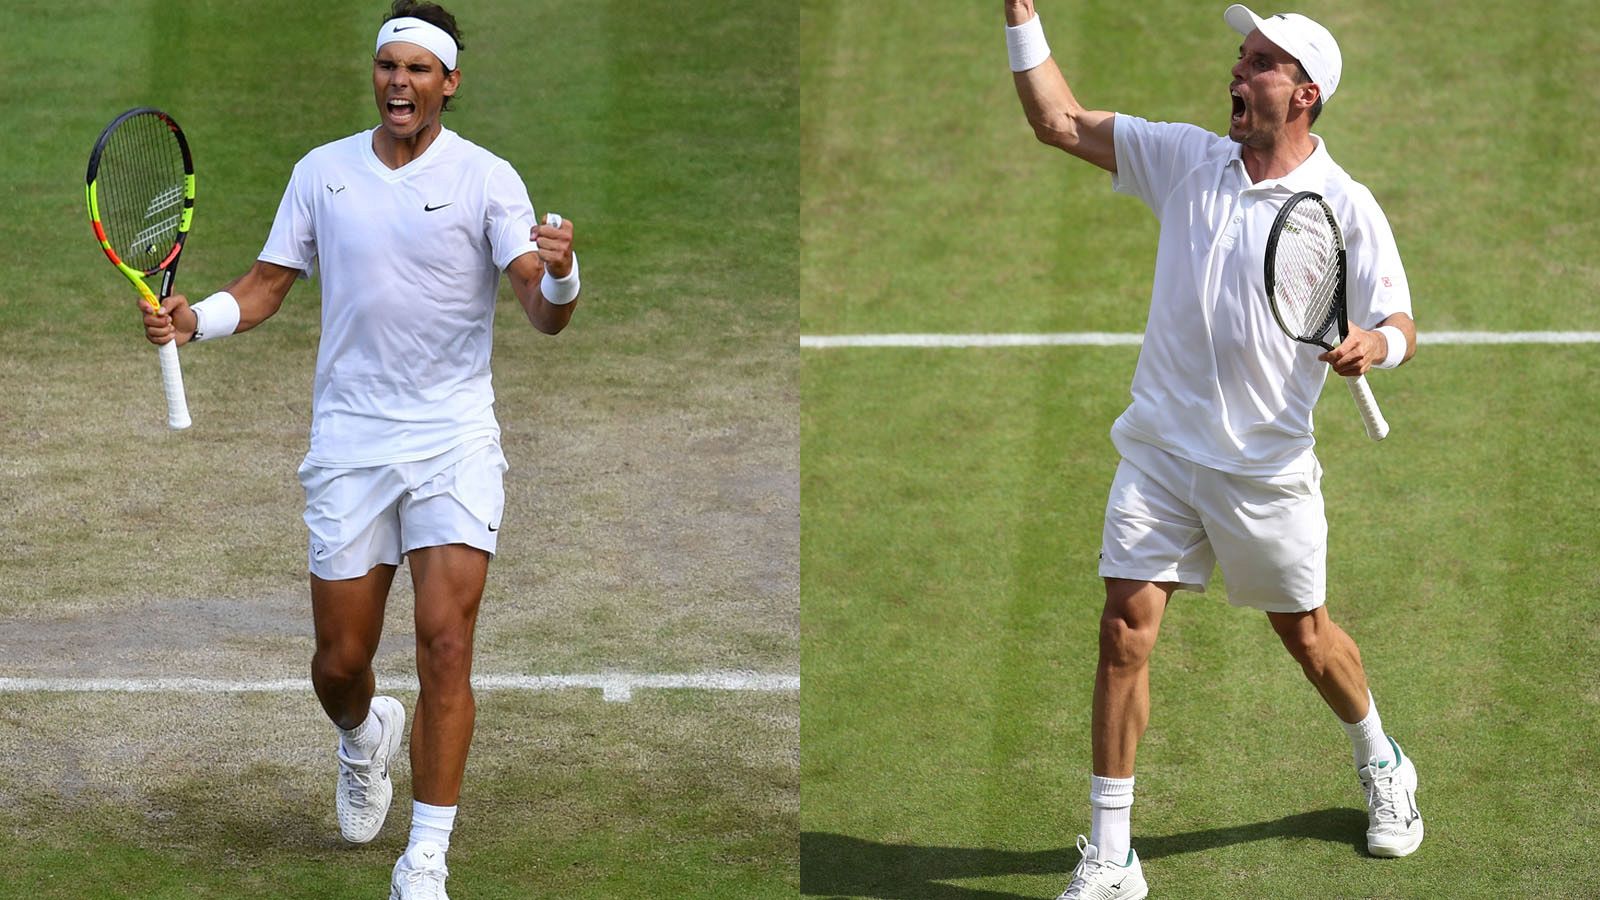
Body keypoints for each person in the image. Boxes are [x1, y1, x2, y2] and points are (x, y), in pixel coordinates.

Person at [140, 2, 581, 897]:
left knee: (445, 642)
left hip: (453, 438)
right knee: (340, 661)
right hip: (350, 441)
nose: (400, 83)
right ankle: (362, 734)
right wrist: (196, 320)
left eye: (419, 70)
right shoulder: (322, 173)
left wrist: (565, 268)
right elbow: (266, 286)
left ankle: (426, 856)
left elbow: (542, 310)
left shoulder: (489, 180)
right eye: (389, 66)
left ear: (449, 83)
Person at [1002, 3, 1421, 897]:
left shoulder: (1345, 206)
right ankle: (1113, 855)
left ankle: (1381, 757)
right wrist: (1023, 16)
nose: (1239, 72)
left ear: (1305, 94)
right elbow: (1059, 121)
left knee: (1305, 637)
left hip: (1263, 469)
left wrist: (1371, 345)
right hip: (1159, 450)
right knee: (1124, 628)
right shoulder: (1187, 160)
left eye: (1262, 63)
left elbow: (1401, 320)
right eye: (1242, 57)